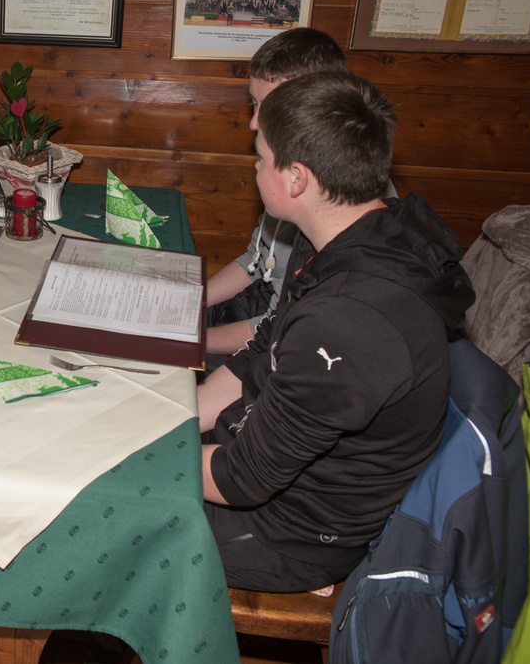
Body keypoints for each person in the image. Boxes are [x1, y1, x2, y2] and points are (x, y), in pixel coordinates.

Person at [197, 71, 474, 592]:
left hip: (289, 535)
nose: (255, 166)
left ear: (296, 179)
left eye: (261, 157)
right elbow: (260, 353)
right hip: (256, 457)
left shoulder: (353, 318)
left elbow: (242, 478)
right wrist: (172, 419)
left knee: (93, 502)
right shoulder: (347, 234)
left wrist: (142, 452)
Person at [204, 27, 350, 366]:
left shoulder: (341, 200)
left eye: (268, 108)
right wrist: (192, 301)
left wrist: (193, 340)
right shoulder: (281, 173)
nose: (254, 123)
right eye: (254, 104)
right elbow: (255, 260)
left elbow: (278, 328)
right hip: (260, 315)